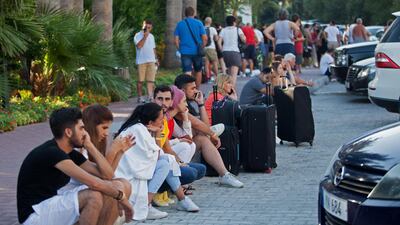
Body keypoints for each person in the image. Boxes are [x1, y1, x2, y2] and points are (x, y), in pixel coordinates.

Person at [17, 107, 133, 225]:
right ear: (68, 132)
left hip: (51, 206)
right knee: (93, 196)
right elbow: (95, 183)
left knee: (117, 184)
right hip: (34, 215)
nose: (85, 132)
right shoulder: (52, 153)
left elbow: (107, 175)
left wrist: (89, 146)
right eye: (81, 128)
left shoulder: (70, 152)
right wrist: (121, 198)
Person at [115, 103, 200, 221]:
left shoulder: (140, 128)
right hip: (129, 176)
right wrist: (158, 135)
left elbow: (157, 154)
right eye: (161, 119)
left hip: (137, 170)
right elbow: (158, 154)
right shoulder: (139, 130)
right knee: (166, 163)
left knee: (170, 162)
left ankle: (182, 199)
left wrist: (157, 134)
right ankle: (147, 206)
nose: (163, 121)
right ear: (150, 122)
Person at [175, 74, 244, 188]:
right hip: (174, 148)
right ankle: (223, 174)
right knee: (204, 138)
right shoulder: (177, 106)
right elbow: (198, 124)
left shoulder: (188, 105)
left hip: (184, 144)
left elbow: (204, 126)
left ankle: (224, 174)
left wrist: (201, 104)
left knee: (203, 138)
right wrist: (212, 134)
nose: (196, 91)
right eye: (192, 88)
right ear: (182, 90)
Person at [174, 6, 207, 87]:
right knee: (198, 71)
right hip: (197, 52)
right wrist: (202, 46)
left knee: (187, 72)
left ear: (185, 14)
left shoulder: (180, 24)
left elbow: (176, 40)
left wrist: (180, 49)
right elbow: (205, 38)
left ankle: (188, 92)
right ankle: (197, 91)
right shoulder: (199, 23)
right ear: (194, 13)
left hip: (185, 52)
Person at [218, 15, 246, 87]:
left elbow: (219, 42)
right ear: (234, 22)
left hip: (225, 52)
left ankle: (228, 92)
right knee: (234, 75)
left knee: (229, 74)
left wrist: (222, 50)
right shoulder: (238, 29)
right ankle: (231, 93)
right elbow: (244, 39)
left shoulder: (223, 30)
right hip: (235, 51)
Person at [134, 20, 158, 103]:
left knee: (150, 80)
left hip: (151, 60)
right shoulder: (137, 35)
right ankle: (140, 97)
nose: (147, 29)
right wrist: (145, 37)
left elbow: (153, 48)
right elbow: (139, 46)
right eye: (146, 27)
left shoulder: (152, 36)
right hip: (141, 61)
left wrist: (156, 59)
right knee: (140, 80)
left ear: (151, 28)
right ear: (143, 26)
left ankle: (150, 96)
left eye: (149, 28)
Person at [204, 17, 220, 81]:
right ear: (210, 22)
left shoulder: (201, 28)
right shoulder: (212, 29)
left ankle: (208, 77)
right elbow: (216, 39)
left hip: (204, 48)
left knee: (206, 64)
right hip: (211, 48)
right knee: (215, 62)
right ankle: (217, 77)